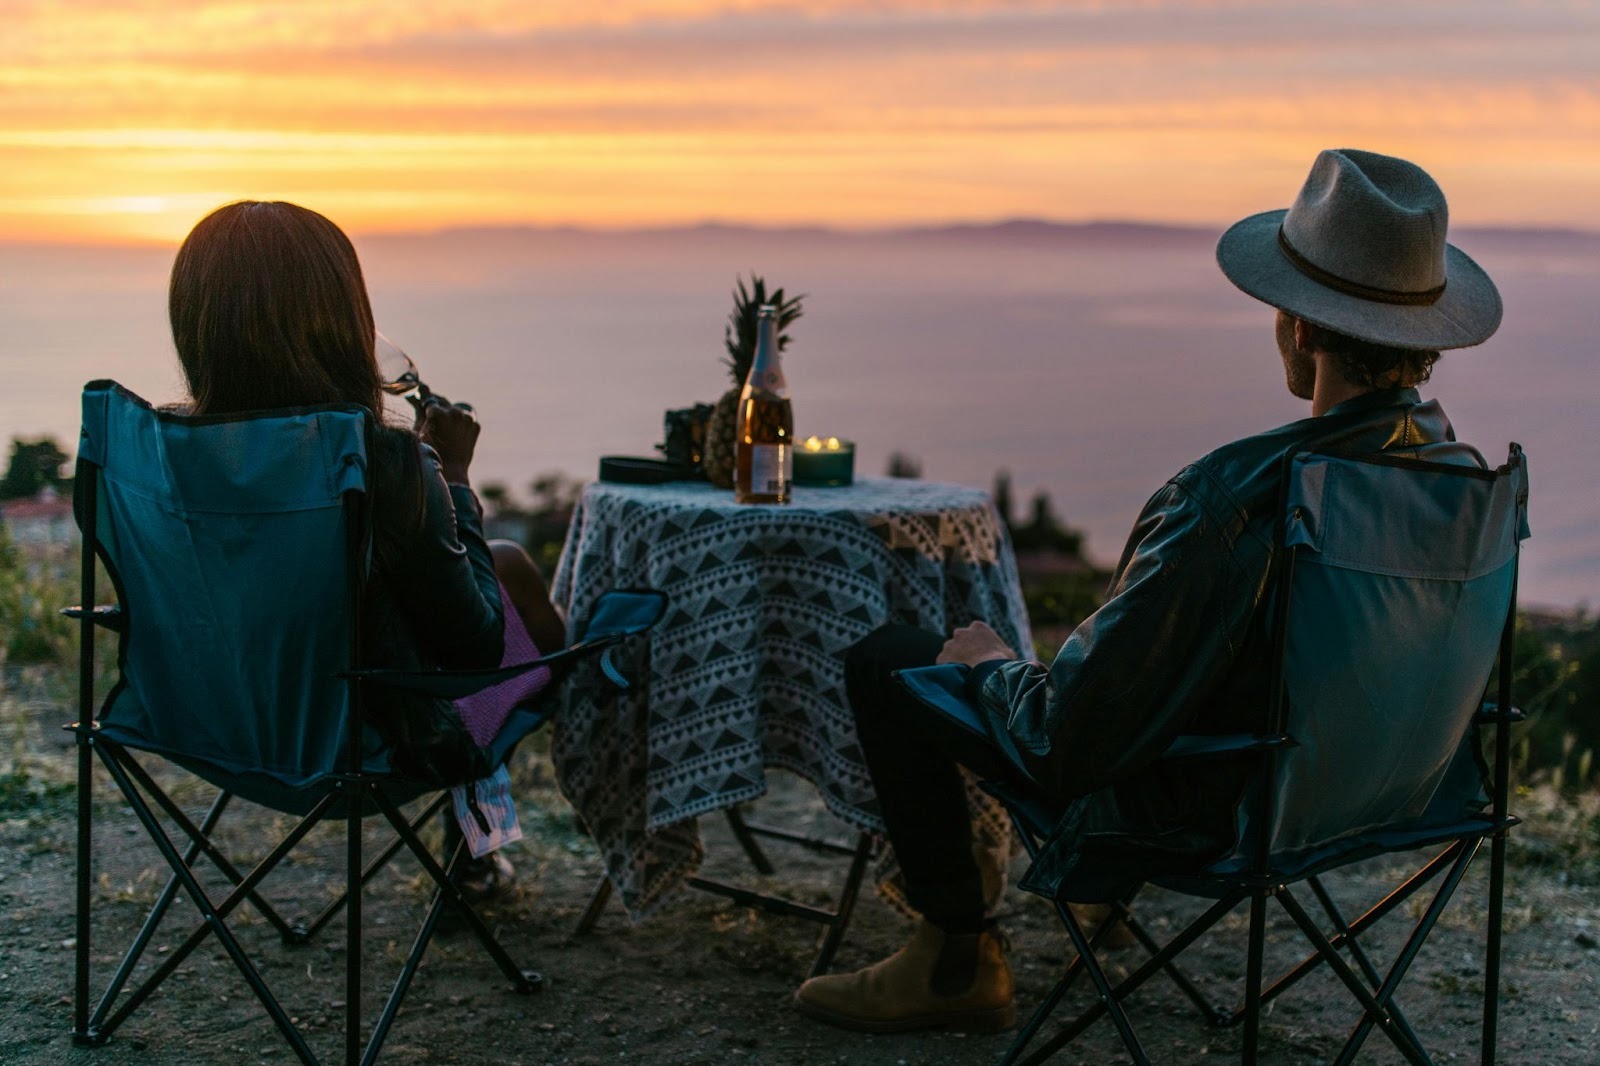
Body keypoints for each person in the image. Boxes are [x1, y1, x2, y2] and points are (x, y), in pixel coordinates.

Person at [793, 148, 1505, 1033]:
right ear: (1422, 337)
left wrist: (991, 668)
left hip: (1219, 814)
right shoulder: (1462, 483)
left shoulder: (1237, 498)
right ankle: (1084, 910)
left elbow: (1069, 740)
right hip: (1397, 794)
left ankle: (953, 962)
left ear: (1301, 326)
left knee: (887, 658)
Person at [169, 200, 566, 897]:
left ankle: (477, 856)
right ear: (339, 321)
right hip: (366, 742)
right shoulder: (381, 465)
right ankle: (480, 851)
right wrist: (454, 479)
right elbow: (473, 649)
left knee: (504, 563)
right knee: (522, 593)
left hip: (209, 726)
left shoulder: (170, 456)